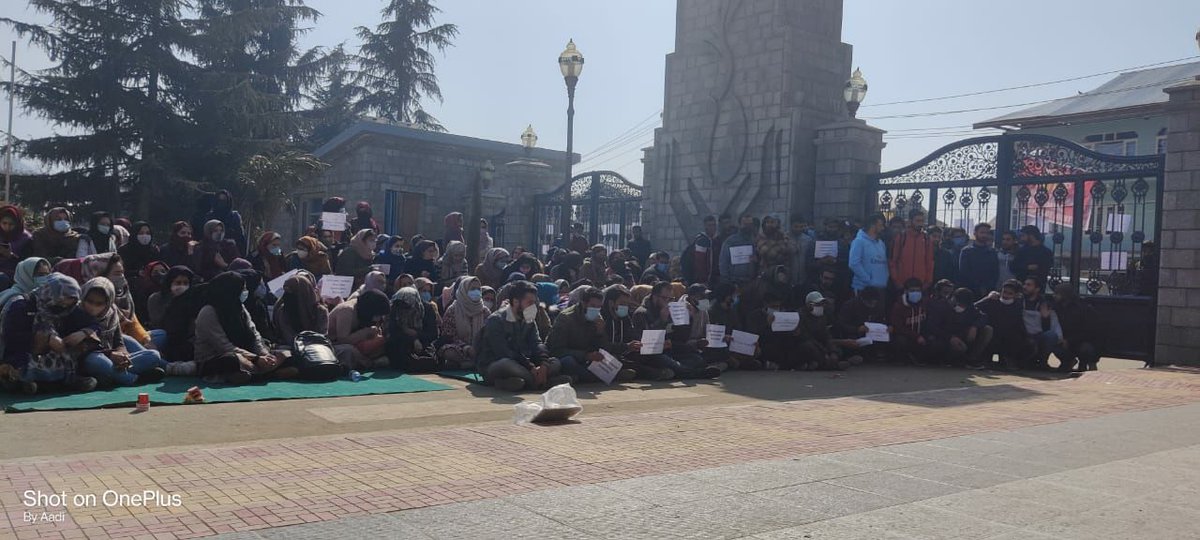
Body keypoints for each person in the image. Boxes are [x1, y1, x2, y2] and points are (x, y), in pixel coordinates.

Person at [0, 273, 98, 394]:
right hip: (24, 351)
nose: (63, 307)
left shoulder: (70, 309)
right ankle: (19, 381)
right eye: (61, 302)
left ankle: (66, 381)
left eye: (68, 304)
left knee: (73, 353)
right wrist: (45, 338)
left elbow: (93, 324)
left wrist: (83, 333)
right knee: (22, 363)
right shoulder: (21, 305)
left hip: (57, 353)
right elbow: (11, 338)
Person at [194, 272, 287, 384]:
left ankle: (257, 373)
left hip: (249, 355)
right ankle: (265, 373)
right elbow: (224, 347)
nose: (245, 292)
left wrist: (264, 354)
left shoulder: (240, 308)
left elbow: (254, 334)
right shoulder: (208, 312)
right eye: (242, 289)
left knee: (284, 354)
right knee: (234, 360)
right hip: (217, 358)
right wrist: (256, 359)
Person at [476, 280, 567, 391]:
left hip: (524, 363)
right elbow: (503, 352)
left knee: (555, 362)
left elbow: (537, 343)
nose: (533, 307)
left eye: (534, 303)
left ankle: (519, 382)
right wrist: (530, 367)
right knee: (507, 364)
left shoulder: (529, 318)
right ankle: (542, 382)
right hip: (496, 363)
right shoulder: (496, 320)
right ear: (515, 302)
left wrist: (543, 364)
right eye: (529, 303)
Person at [78, 277, 168, 386]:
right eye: (90, 301)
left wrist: (123, 356)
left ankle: (114, 376)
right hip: (92, 360)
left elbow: (118, 340)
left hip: (113, 357)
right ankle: (133, 378)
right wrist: (110, 355)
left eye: (99, 304)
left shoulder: (111, 313)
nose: (92, 307)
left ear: (107, 303)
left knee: (153, 355)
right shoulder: (77, 313)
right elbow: (80, 350)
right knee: (97, 361)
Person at [548, 285, 637, 384]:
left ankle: (586, 376)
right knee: (569, 362)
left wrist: (600, 333)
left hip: (587, 358)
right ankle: (603, 377)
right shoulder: (566, 318)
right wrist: (585, 355)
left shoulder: (597, 318)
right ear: (583, 303)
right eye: (593, 306)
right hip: (570, 356)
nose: (596, 310)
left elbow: (604, 347)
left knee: (610, 359)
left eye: (599, 307)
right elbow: (557, 350)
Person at [631, 281, 720, 379]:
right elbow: (645, 344)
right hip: (652, 354)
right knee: (670, 362)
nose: (668, 302)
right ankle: (696, 373)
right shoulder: (641, 313)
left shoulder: (670, 309)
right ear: (655, 297)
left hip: (670, 349)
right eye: (665, 298)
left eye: (671, 299)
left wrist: (688, 319)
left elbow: (680, 338)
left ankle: (677, 370)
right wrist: (662, 320)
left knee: (697, 358)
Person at [976, 280, 1033, 371]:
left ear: (1015, 295)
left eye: (1010, 293)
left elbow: (1020, 324)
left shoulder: (1017, 306)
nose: (1006, 296)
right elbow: (973, 308)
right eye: (1004, 292)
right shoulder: (992, 301)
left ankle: (1008, 360)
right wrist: (987, 298)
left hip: (1008, 339)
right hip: (992, 337)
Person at [930, 288, 993, 369]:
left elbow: (983, 316)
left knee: (988, 329)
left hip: (963, 336)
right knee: (959, 348)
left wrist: (974, 326)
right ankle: (949, 361)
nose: (961, 307)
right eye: (960, 304)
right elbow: (933, 327)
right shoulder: (943, 307)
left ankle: (971, 359)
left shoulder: (970, 308)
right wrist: (950, 337)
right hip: (945, 338)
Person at [438, 276, 491, 370]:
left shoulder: (484, 311)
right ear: (464, 290)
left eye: (478, 289)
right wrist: (466, 347)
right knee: (448, 351)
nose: (476, 292)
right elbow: (448, 335)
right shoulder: (453, 309)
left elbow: (489, 333)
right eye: (473, 289)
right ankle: (470, 363)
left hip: (479, 349)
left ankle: (469, 363)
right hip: (460, 348)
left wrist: (477, 347)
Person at [328, 289, 391, 370]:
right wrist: (365, 332)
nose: (378, 318)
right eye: (377, 315)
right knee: (349, 350)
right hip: (332, 345)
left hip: (354, 342)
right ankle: (368, 363)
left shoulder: (362, 309)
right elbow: (342, 340)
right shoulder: (347, 310)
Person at [796, 291, 859, 370]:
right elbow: (806, 337)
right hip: (806, 344)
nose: (821, 306)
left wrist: (833, 352)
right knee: (809, 346)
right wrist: (824, 353)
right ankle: (831, 365)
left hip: (820, 344)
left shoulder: (822, 317)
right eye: (818, 304)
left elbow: (826, 336)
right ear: (809, 305)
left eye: (822, 304)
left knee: (837, 349)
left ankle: (825, 363)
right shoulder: (800, 316)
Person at [385, 286, 439, 372]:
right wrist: (412, 339)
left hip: (423, 342)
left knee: (430, 358)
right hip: (401, 342)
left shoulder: (427, 309)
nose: (403, 308)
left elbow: (433, 334)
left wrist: (417, 335)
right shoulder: (395, 309)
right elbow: (392, 332)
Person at [1019, 276, 1067, 370]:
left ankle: (1043, 362)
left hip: (1038, 336)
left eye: (1029, 285)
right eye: (1024, 284)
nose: (1025, 287)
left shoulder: (1044, 303)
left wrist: (1045, 318)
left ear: (1037, 289)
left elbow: (1054, 324)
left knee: (1051, 336)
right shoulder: (1019, 300)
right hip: (1022, 334)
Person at [1052, 283, 1101, 372]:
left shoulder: (1082, 308)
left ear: (1064, 295)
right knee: (1054, 344)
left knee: (1086, 348)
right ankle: (1067, 362)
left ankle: (1084, 364)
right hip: (1065, 339)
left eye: (1057, 294)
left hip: (1081, 340)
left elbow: (1088, 331)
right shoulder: (1057, 307)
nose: (1054, 296)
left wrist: (1070, 340)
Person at [834, 286, 887, 362]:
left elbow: (881, 320)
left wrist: (885, 327)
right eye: (870, 302)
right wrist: (857, 329)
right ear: (863, 299)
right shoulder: (850, 305)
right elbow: (841, 324)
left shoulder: (878, 306)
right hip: (853, 333)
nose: (873, 303)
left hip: (872, 333)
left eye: (874, 301)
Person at [273, 274, 328, 344]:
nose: (288, 295)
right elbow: (288, 336)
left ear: (304, 291)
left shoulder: (320, 311)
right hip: (292, 347)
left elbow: (322, 334)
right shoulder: (283, 311)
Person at [888, 209, 933, 295]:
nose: (920, 224)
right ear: (910, 221)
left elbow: (929, 262)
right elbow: (893, 261)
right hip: (902, 284)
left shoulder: (927, 240)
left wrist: (928, 281)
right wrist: (897, 281)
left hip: (920, 285)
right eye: (918, 221)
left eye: (922, 221)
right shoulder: (901, 238)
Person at [889, 278, 932, 365]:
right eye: (912, 290)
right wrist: (916, 336)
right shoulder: (898, 306)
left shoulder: (926, 303)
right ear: (906, 291)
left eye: (918, 290)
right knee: (900, 340)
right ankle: (902, 359)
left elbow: (930, 321)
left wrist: (924, 335)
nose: (915, 293)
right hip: (907, 336)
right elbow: (898, 327)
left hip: (922, 336)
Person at [849, 214, 889, 294]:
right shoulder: (859, 241)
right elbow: (853, 264)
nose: (883, 228)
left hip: (880, 287)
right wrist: (868, 280)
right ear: (872, 225)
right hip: (864, 288)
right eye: (880, 225)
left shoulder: (881, 243)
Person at [958, 224, 998, 299]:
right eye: (982, 232)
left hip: (988, 292)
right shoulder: (967, 251)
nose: (984, 235)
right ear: (975, 233)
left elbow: (995, 272)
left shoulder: (992, 252)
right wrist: (978, 287)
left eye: (987, 233)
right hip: (970, 291)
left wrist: (988, 287)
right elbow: (964, 272)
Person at [203, 189, 247, 256]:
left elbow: (240, 238)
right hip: (212, 252)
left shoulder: (234, 217)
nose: (221, 203)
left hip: (231, 252)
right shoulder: (210, 216)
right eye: (219, 200)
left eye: (224, 201)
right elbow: (206, 236)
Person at [719, 213, 758, 285]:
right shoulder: (730, 241)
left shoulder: (757, 240)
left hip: (752, 283)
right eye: (745, 224)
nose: (748, 227)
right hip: (734, 282)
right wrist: (726, 280)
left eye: (750, 224)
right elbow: (723, 262)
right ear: (740, 225)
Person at [0, 205, 33, 277]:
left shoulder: (26, 239)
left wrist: (11, 256)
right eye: (4, 223)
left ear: (17, 224)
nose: (7, 227)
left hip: (15, 275)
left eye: (11, 224)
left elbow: (28, 264)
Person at [688, 215, 719, 286]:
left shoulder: (716, 240)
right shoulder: (701, 241)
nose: (712, 228)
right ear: (705, 226)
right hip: (704, 280)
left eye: (714, 225)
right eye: (709, 225)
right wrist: (703, 279)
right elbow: (699, 262)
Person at [788, 214, 815, 289]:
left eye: (801, 227)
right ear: (791, 225)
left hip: (804, 279)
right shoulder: (785, 238)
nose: (798, 229)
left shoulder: (808, 240)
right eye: (796, 227)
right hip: (789, 278)